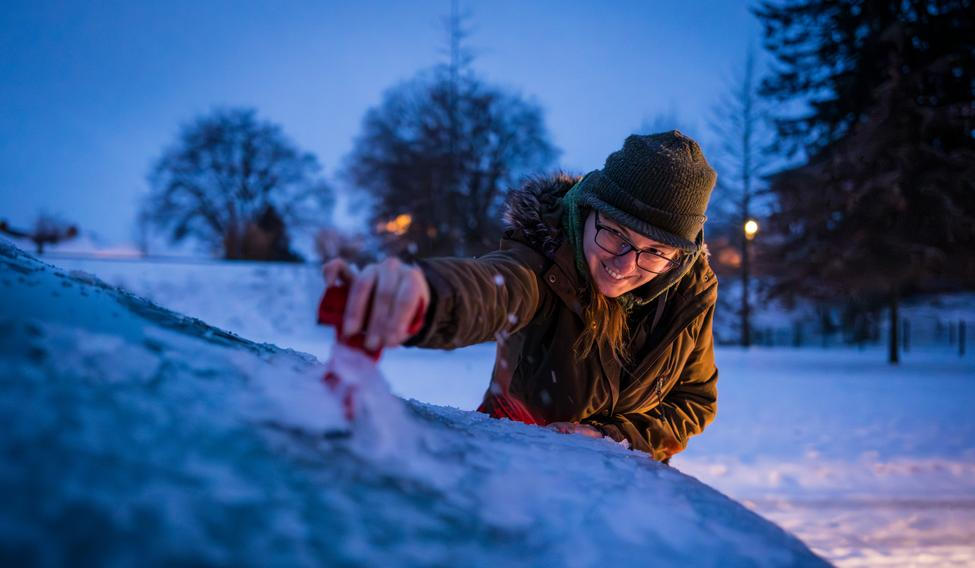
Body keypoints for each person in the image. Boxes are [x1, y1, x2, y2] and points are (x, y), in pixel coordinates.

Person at [323, 131, 718, 462]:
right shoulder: (542, 262)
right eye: (615, 233)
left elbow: (694, 400)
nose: (625, 265)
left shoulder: (690, 295)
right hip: (517, 465)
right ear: (585, 211)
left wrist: (617, 437)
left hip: (625, 490)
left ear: (679, 258)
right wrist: (425, 294)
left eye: (655, 252)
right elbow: (498, 287)